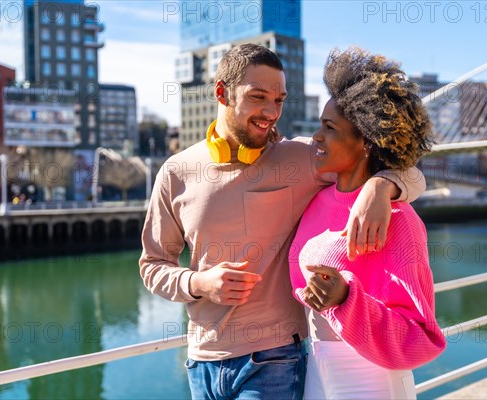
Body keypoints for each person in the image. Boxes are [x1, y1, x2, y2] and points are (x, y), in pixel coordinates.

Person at [140, 44, 426, 399]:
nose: (271, 112)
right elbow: (153, 266)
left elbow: (408, 170)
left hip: (274, 358)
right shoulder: (176, 172)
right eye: (258, 97)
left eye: (279, 100)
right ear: (221, 92)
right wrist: (199, 282)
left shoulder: (303, 158)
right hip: (201, 362)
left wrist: (382, 186)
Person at [289, 47, 447, 399]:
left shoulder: (400, 219)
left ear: (365, 142)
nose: (316, 136)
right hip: (314, 372)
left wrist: (346, 298)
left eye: (329, 128)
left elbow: (423, 336)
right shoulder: (317, 199)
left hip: (371, 378)